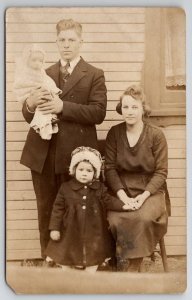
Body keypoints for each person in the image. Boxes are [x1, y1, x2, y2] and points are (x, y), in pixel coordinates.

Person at [20, 19, 107, 259]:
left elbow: (98, 113)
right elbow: (29, 115)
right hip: (42, 155)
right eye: (61, 40)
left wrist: (62, 106)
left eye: (71, 40)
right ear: (56, 42)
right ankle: (48, 260)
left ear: (81, 42)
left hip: (75, 157)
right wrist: (29, 104)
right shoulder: (43, 73)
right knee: (46, 209)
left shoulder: (94, 75)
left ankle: (73, 264)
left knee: (74, 210)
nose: (66, 45)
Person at [104, 85, 170, 272]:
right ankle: (123, 262)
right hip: (121, 189)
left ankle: (133, 267)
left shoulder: (156, 135)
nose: (130, 112)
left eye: (134, 107)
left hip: (151, 191)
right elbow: (109, 169)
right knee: (116, 220)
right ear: (120, 109)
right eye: (125, 107)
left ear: (143, 109)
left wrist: (143, 197)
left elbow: (161, 172)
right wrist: (123, 197)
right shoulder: (114, 133)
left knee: (142, 218)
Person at [45, 146, 127, 272]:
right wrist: (54, 228)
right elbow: (57, 210)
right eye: (81, 169)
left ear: (95, 173)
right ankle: (67, 271)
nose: (84, 173)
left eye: (89, 171)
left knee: (93, 254)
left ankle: (90, 272)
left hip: (93, 231)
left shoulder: (99, 188)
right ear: (74, 170)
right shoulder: (65, 188)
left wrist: (123, 205)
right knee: (66, 253)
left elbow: (109, 201)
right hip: (70, 230)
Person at [13, 44, 61, 140]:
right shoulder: (25, 72)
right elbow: (21, 84)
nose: (37, 63)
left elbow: (47, 81)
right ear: (27, 60)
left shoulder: (42, 72)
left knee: (46, 108)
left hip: (42, 94)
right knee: (40, 111)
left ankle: (50, 121)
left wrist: (52, 89)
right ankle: (43, 128)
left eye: (40, 61)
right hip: (30, 93)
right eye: (34, 60)